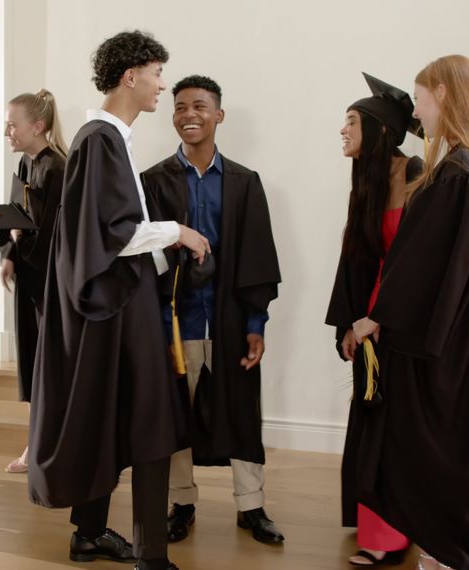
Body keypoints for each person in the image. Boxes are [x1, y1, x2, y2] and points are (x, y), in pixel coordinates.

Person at [27, 30, 209, 570]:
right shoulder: (101, 139)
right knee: (152, 423)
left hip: (121, 304)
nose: (162, 85)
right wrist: (179, 231)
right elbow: (112, 232)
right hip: (120, 308)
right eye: (156, 73)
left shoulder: (105, 139)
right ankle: (151, 556)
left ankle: (88, 534)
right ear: (131, 76)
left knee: (113, 416)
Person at [350, 55, 469, 570]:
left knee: (431, 441)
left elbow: (428, 262)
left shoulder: (457, 172)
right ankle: (439, 552)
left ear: (443, 94)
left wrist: (378, 315)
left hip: (442, 337)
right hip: (461, 329)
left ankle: (443, 552)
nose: (417, 111)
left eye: (421, 97)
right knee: (444, 442)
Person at [142, 75, 283, 546]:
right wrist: (155, 325)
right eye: (181, 106)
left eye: (200, 106)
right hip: (175, 320)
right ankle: (181, 502)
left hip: (229, 319)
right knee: (176, 414)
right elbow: (145, 260)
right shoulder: (153, 182)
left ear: (219, 114)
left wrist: (256, 323)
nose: (189, 115)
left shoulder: (244, 182)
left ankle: (251, 505)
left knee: (241, 411)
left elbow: (257, 256)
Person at [325, 73, 425, 566]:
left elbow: (420, 259)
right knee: (371, 417)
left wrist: (384, 315)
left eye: (351, 122)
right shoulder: (365, 180)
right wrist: (350, 322)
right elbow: (356, 258)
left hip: (405, 321)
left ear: (380, 128)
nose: (342, 131)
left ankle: (394, 533)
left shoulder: (417, 175)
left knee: (397, 425)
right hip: (371, 321)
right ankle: (377, 527)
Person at [0, 89, 68, 473]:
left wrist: (19, 243)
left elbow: (54, 236)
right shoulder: (27, 164)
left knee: (48, 365)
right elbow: (18, 216)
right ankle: (38, 441)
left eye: (13, 125)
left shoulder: (57, 168)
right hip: (29, 277)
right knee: (33, 362)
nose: (6, 132)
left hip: (49, 284)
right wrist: (10, 255)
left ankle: (44, 446)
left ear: (38, 126)